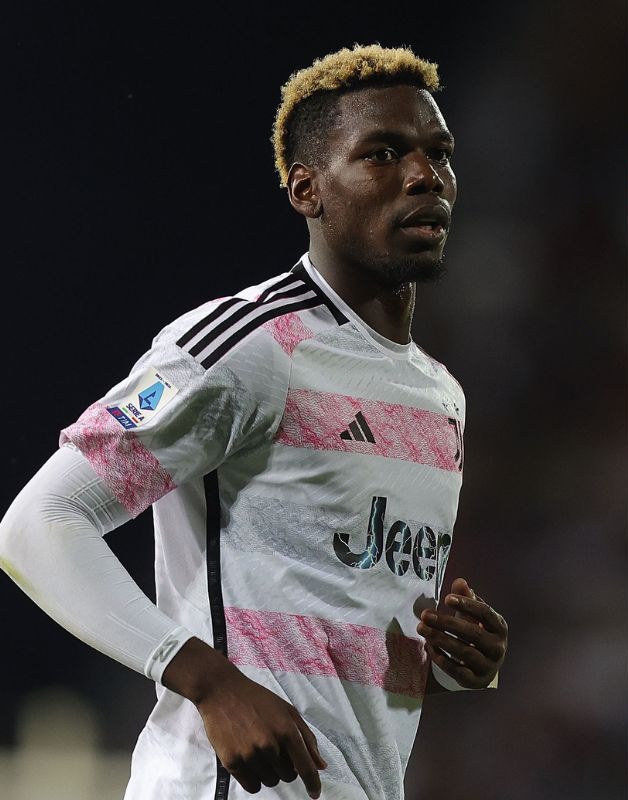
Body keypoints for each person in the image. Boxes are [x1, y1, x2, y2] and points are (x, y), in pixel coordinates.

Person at [0, 44, 507, 800]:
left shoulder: (440, 397)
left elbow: (342, 625)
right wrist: (211, 683)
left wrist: (456, 663)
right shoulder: (248, 348)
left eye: (440, 153)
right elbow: (39, 524)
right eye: (384, 153)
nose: (425, 175)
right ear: (307, 190)